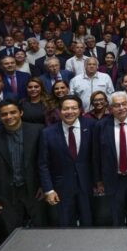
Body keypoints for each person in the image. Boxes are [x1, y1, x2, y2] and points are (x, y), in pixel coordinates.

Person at [0, 100, 46, 236]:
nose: (9, 116)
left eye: (13, 112)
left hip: (34, 190)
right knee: (13, 233)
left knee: (41, 229)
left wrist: (43, 185)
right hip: (6, 194)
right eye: (4, 114)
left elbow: (45, 162)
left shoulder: (38, 130)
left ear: (21, 112)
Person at [38, 95, 95, 226]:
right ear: (59, 110)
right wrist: (49, 190)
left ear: (80, 110)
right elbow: (43, 164)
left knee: (89, 224)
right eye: (66, 108)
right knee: (65, 226)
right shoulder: (47, 133)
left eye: (74, 108)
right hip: (61, 188)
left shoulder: (92, 126)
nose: (70, 112)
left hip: (87, 186)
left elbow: (97, 157)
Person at [94, 91, 127, 226]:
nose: (121, 108)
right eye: (117, 105)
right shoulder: (101, 125)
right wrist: (99, 180)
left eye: (124, 104)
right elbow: (96, 155)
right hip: (113, 178)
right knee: (117, 215)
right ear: (110, 108)